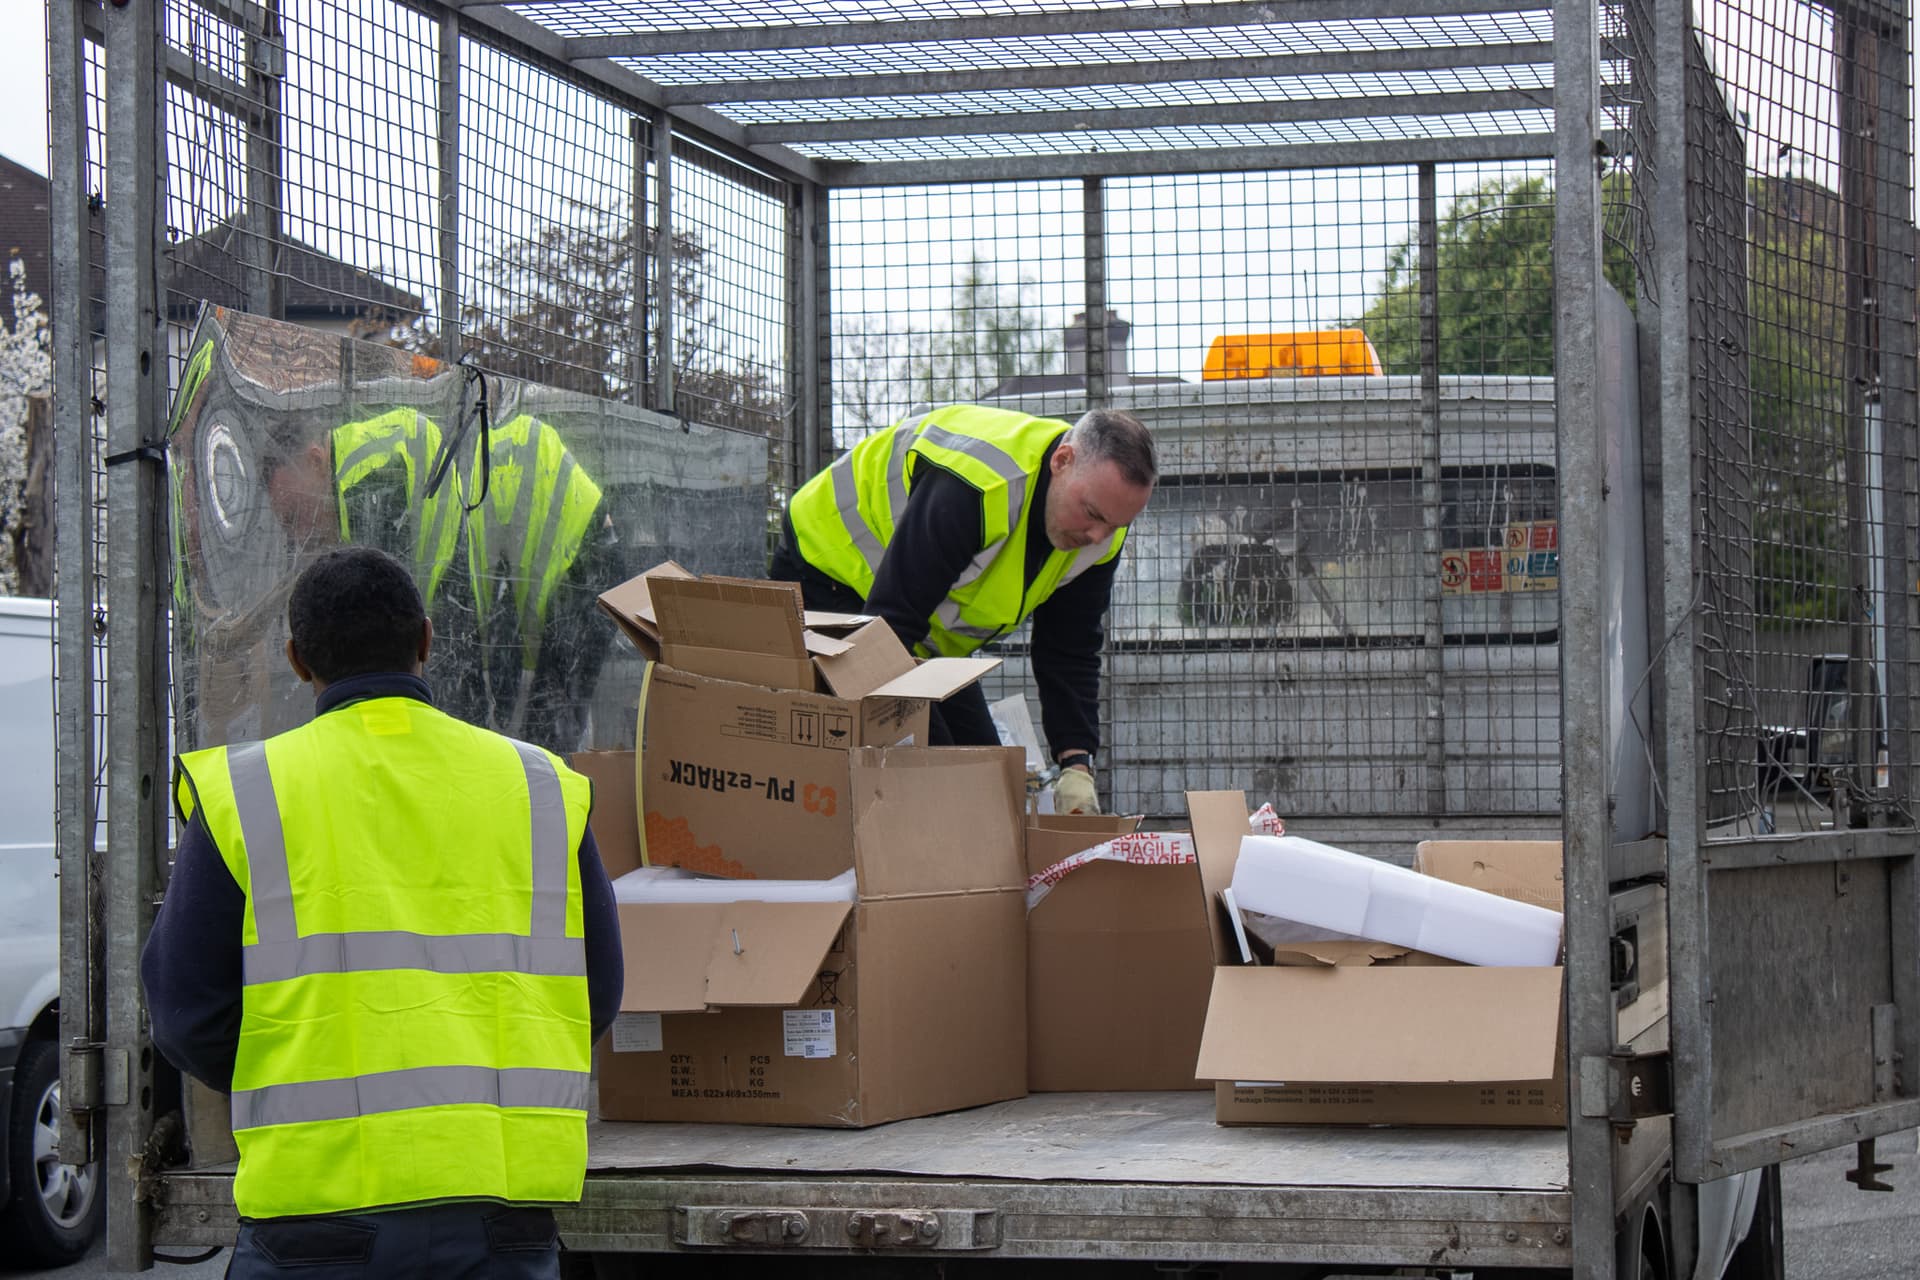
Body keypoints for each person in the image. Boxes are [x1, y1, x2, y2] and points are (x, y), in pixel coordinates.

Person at [141, 546, 623, 1279]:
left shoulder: (248, 794)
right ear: (427, 641)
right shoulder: (542, 787)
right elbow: (598, 993)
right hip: (499, 1218)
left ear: (297, 659)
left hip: (313, 1221)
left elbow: (184, 1016)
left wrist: (293, 1061)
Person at [771, 404, 1156, 814]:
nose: (1098, 535)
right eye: (1093, 514)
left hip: (912, 624)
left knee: (988, 783)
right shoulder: (977, 487)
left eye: (1116, 524)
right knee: (944, 786)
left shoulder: (1101, 535)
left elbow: (1069, 649)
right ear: (1062, 461)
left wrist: (1076, 766)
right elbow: (889, 632)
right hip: (827, 573)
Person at [263, 403, 619, 752]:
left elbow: (396, 654)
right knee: (535, 733)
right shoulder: (368, 462)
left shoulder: (367, 483)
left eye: (294, 517)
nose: (298, 538)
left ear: (315, 461)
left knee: (548, 737)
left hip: (579, 549)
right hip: (573, 541)